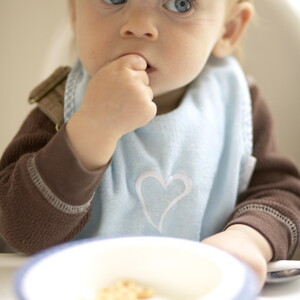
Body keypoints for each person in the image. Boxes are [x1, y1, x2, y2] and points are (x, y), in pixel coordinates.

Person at [0, 0, 299, 289]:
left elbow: (282, 193)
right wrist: (91, 129)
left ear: (228, 30)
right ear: (75, 14)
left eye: (180, 4)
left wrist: (249, 238)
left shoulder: (236, 105)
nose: (138, 26)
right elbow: (20, 231)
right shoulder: (59, 108)